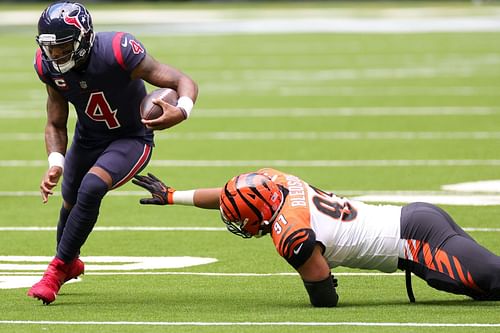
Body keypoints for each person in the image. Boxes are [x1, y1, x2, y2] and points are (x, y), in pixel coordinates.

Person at [28, 1, 198, 305]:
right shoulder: (48, 68)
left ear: (83, 39)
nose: (54, 56)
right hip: (88, 136)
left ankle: (55, 271)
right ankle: (70, 262)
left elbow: (181, 80)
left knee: (91, 187)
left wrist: (182, 110)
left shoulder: (118, 51)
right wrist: (55, 161)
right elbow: (55, 121)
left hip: (131, 136)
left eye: (62, 47)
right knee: (70, 199)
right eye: (49, 48)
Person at [132, 169, 500, 307]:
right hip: (416, 217)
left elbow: (324, 293)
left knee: (492, 282)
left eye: (241, 220)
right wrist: (172, 196)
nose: (235, 221)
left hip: (418, 245)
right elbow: (230, 194)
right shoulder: (275, 181)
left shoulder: (292, 234)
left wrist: (314, 278)